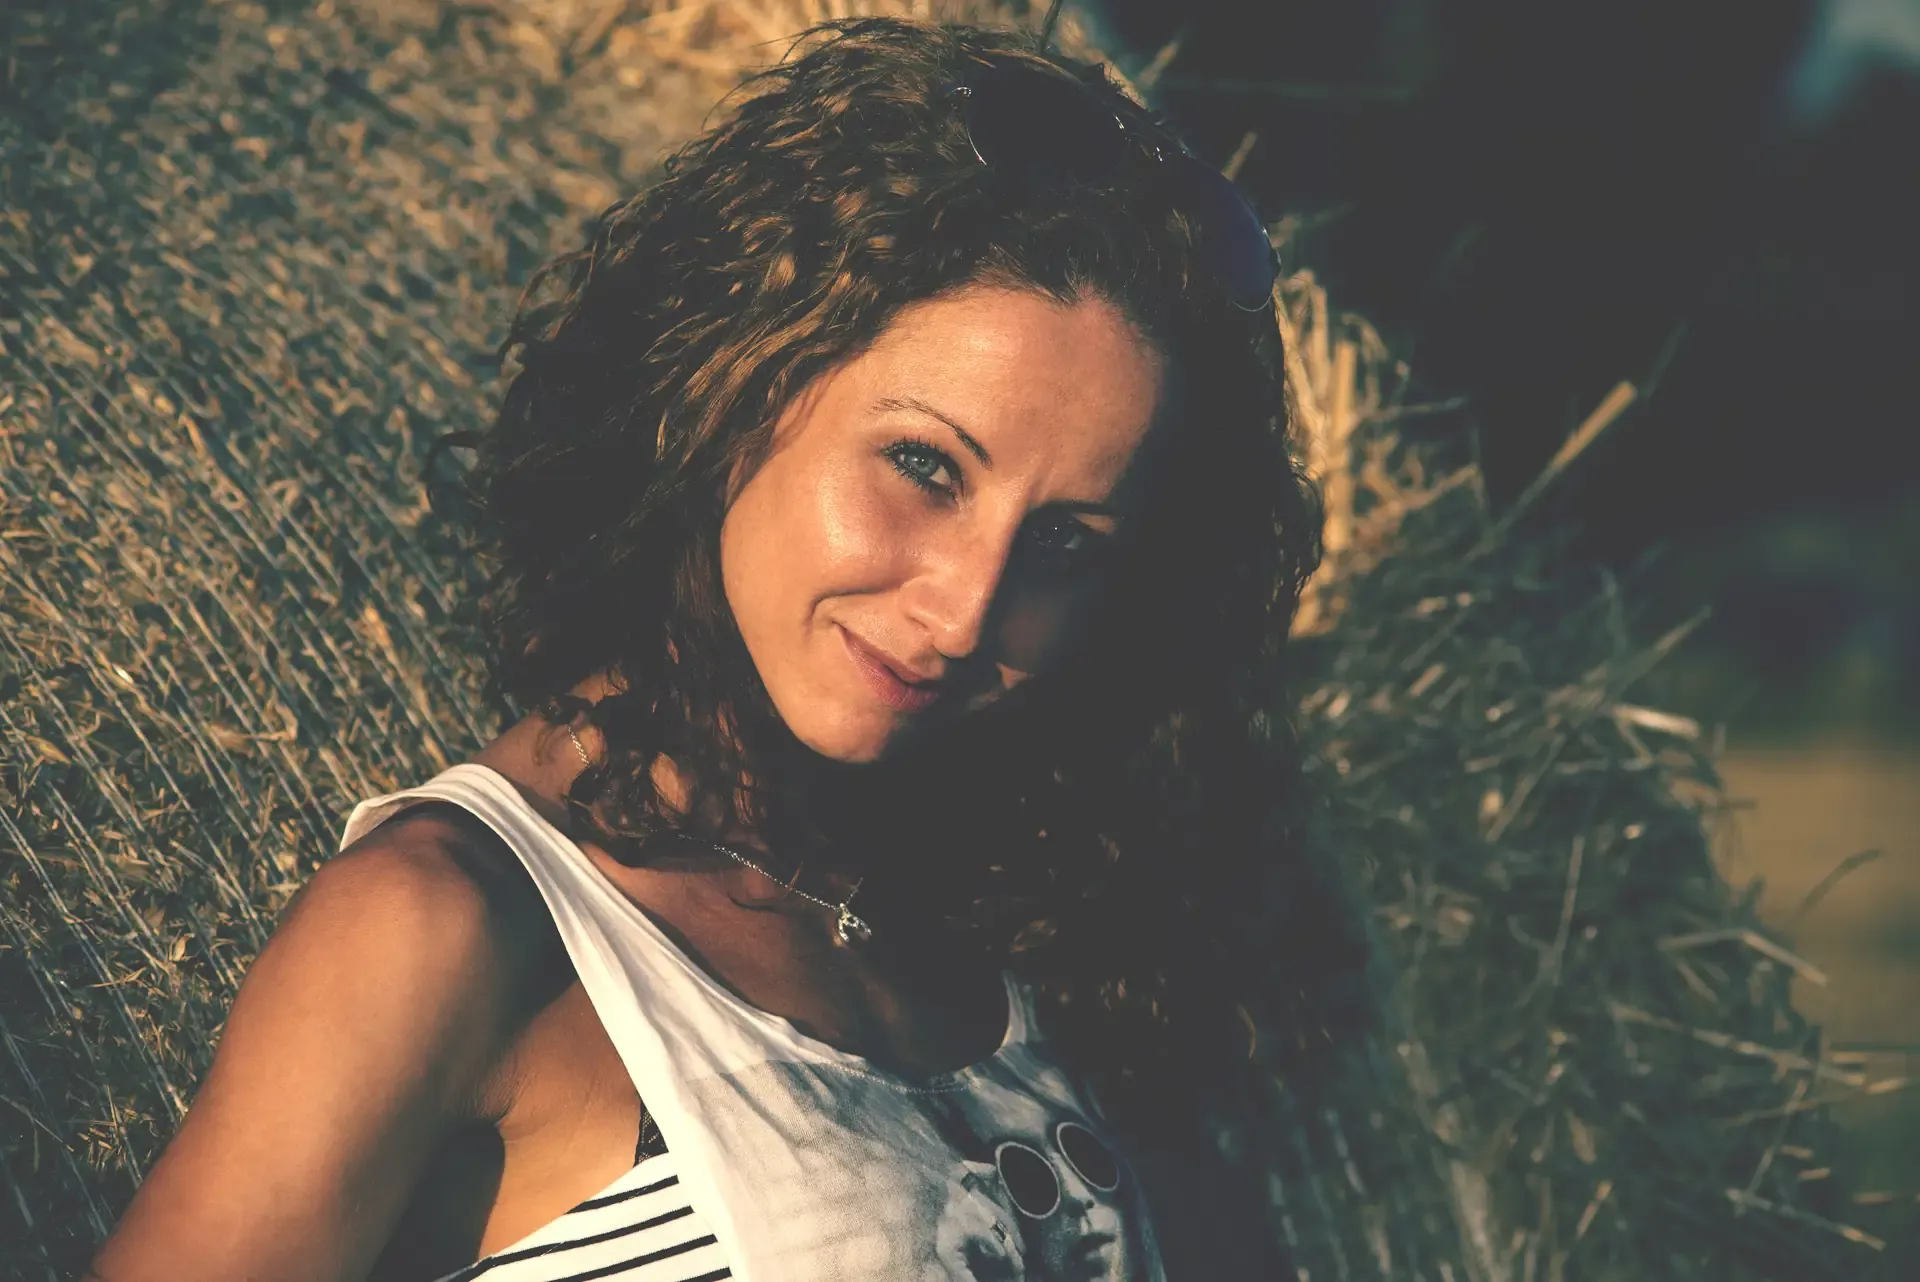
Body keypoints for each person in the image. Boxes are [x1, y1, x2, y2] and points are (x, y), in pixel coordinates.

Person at [86, 16, 1364, 1281]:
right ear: (731, 379)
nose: (967, 609)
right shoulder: (458, 928)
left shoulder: (967, 912)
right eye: (924, 467)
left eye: (1068, 544)